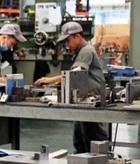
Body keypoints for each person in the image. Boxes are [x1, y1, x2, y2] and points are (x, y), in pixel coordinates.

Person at [35, 22, 108, 153]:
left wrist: (49, 80)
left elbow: (75, 74)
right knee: (80, 137)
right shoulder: (80, 51)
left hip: (91, 100)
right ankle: (80, 163)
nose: (67, 45)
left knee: (94, 136)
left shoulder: (86, 50)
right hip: (83, 99)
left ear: (77, 36)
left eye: (68, 40)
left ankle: (102, 161)